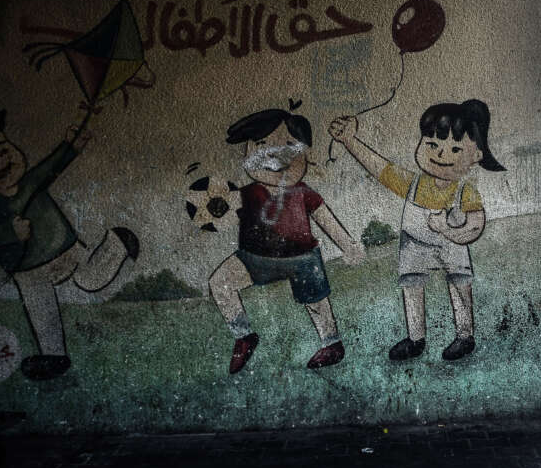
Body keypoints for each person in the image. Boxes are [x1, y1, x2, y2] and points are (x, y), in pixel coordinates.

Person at [0, 108, 139, 381]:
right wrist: (8, 232)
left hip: (65, 249)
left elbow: (52, 166)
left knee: (90, 277)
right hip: (28, 270)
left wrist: (71, 146)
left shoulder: (30, 182)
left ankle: (118, 246)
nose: (2, 159)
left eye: (4, 148)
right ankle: (53, 355)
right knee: (41, 310)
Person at [330, 100, 505, 361]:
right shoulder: (412, 183)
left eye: (455, 149)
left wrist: (449, 231)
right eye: (432, 144)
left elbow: (475, 225)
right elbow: (378, 168)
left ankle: (465, 335)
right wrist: (349, 141)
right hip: (413, 244)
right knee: (412, 286)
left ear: (476, 155)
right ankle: (415, 338)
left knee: (460, 283)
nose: (441, 155)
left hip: (451, 243)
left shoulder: (465, 190)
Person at [209, 107, 364, 375]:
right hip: (255, 258)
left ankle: (332, 343)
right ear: (248, 153)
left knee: (317, 301)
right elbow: (220, 212)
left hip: (302, 258)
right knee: (219, 283)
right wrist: (211, 208)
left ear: (305, 153)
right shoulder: (246, 193)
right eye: (260, 145)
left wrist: (348, 245)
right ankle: (244, 336)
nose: (273, 154)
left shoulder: (303, 193)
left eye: (289, 146)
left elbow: (326, 220)